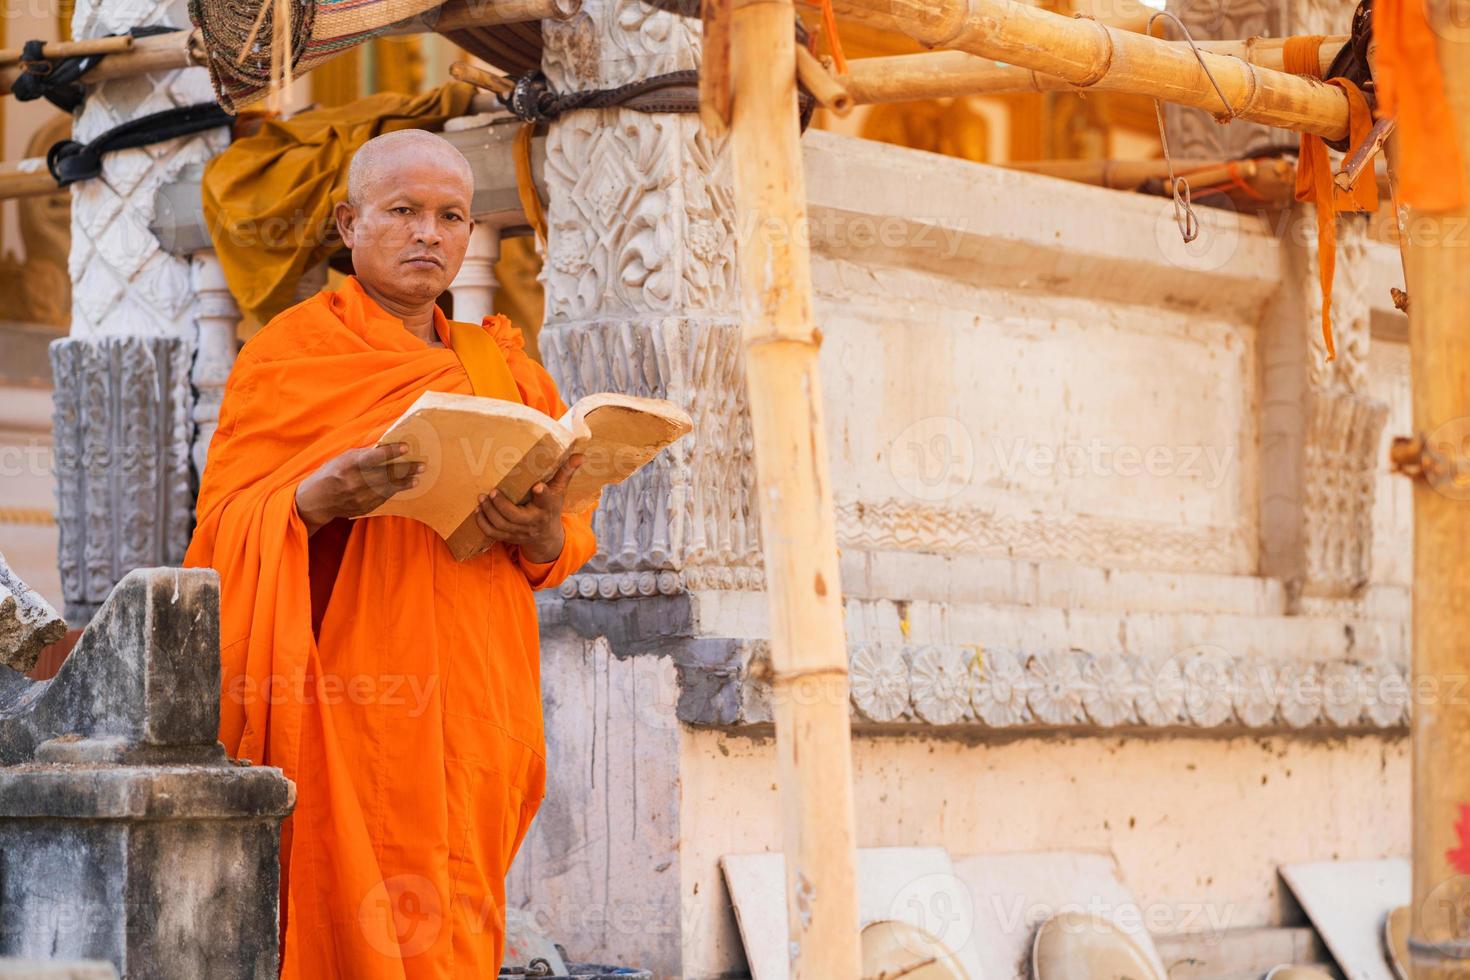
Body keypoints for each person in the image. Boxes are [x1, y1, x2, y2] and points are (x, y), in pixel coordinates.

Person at [184, 129, 596, 979]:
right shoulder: (289, 356)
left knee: (458, 908)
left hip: (484, 695)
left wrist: (544, 534)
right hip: (356, 695)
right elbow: (224, 527)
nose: (429, 235)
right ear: (347, 222)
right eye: (402, 211)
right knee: (359, 908)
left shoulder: (500, 365)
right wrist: (314, 500)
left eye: (451, 217)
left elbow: (569, 535)